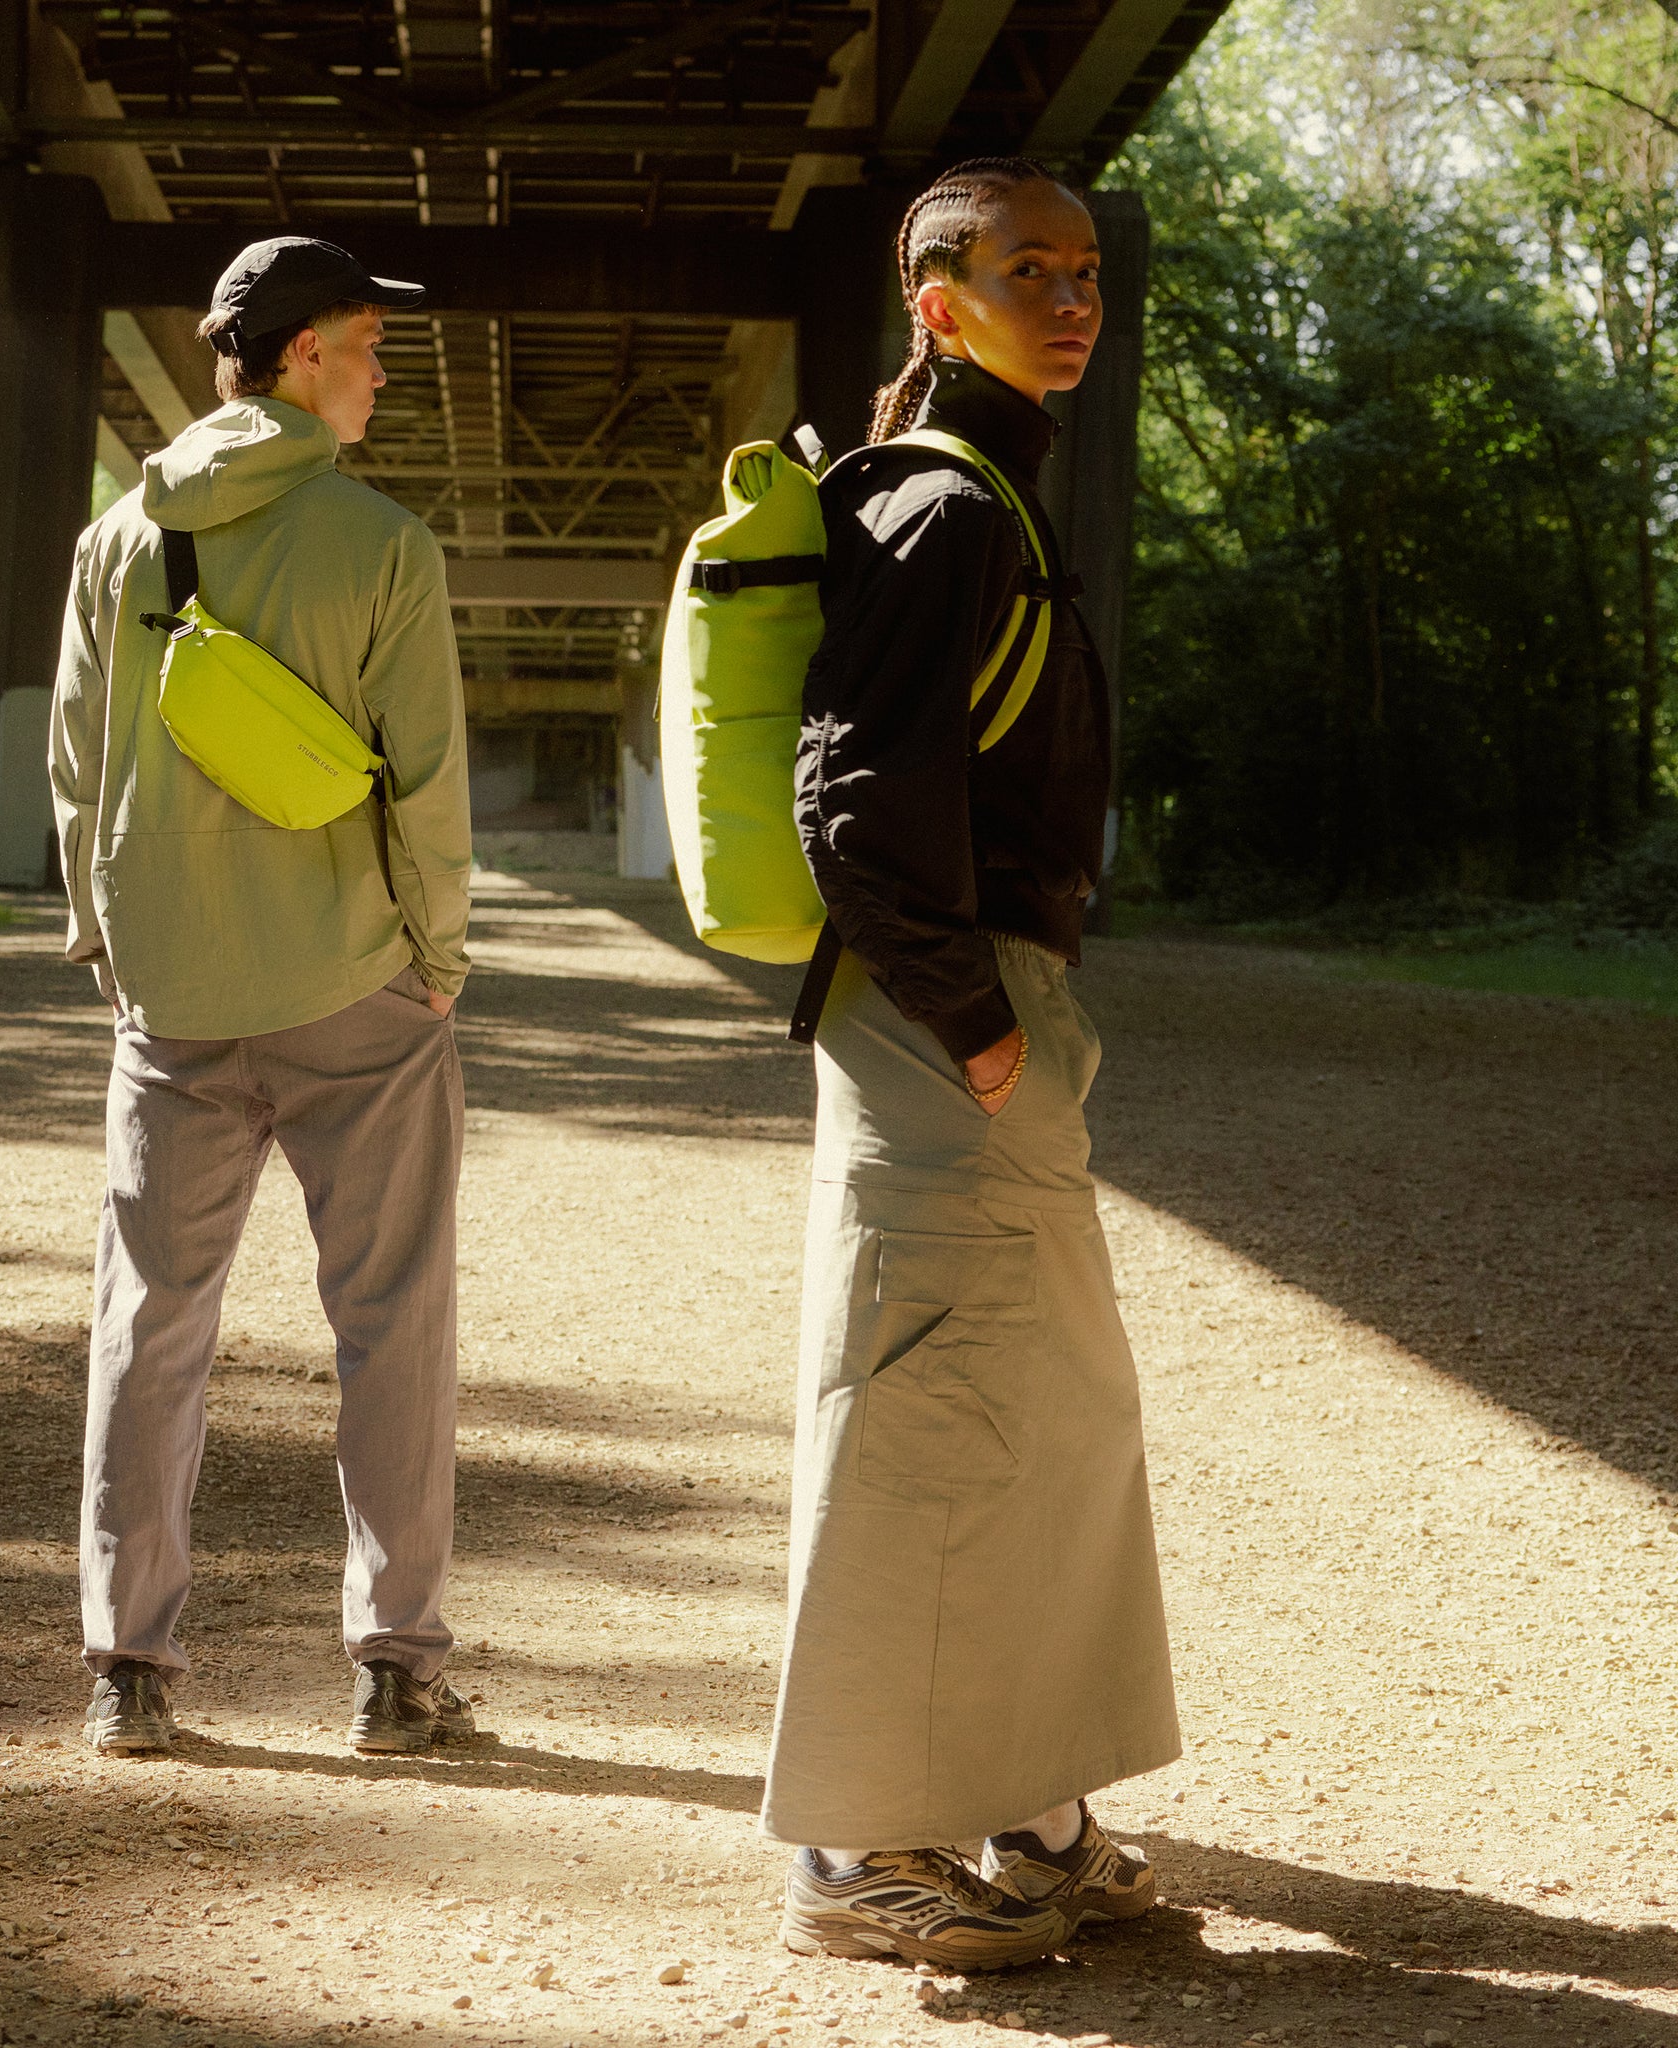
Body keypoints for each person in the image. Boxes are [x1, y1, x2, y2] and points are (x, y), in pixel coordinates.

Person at [765, 159, 1182, 1969]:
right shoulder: (944, 508)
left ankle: (1035, 1812)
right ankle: (856, 1851)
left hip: (991, 1011)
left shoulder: (987, 488)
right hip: (951, 1023)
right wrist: (979, 1024)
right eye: (1030, 272)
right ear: (939, 303)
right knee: (930, 1421)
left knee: (1050, 1412)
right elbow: (853, 802)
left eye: (1084, 271)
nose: (1073, 299)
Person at [49, 235, 476, 1760]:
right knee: (392, 1325)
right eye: (368, 346)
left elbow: (75, 765)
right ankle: (396, 1674)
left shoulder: (121, 540)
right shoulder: (383, 546)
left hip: (174, 998)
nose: (380, 376)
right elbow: (427, 787)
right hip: (355, 987)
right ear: (302, 356)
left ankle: (129, 1671)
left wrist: (116, 951)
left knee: (149, 1321)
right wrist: (436, 961)